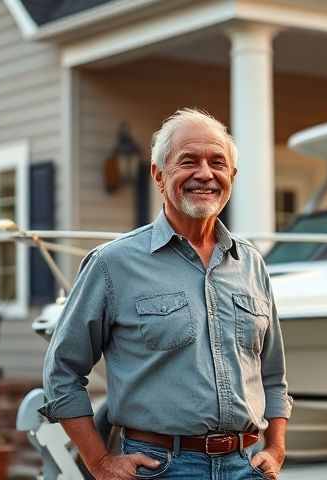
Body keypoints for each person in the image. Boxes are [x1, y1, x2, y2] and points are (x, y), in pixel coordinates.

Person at [40, 108, 292, 480]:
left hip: (247, 466)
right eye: (188, 161)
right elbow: (61, 373)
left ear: (232, 177)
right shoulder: (112, 264)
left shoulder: (251, 263)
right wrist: (99, 462)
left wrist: (276, 447)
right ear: (159, 175)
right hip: (160, 468)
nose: (205, 174)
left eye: (217, 163)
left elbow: (273, 375)